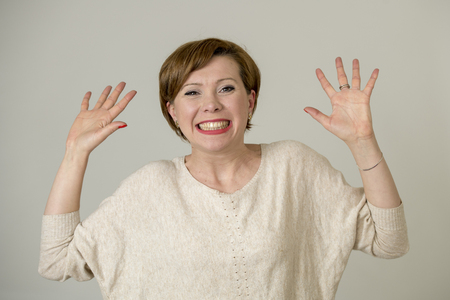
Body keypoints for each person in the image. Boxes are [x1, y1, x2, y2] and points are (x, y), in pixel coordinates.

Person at [39, 38, 409, 299]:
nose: (211, 104)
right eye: (192, 92)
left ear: (250, 100)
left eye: (226, 88)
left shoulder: (294, 166)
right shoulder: (149, 187)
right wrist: (75, 153)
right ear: (172, 110)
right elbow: (57, 260)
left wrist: (362, 142)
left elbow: (389, 241)